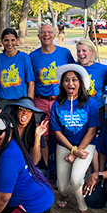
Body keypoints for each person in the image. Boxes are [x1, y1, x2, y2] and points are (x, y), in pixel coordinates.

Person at [50, 64, 99, 213]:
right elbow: (57, 133)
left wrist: (77, 153)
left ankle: (84, 210)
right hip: (66, 145)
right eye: (66, 80)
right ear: (62, 83)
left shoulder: (90, 103)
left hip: (87, 144)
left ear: (81, 82)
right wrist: (72, 150)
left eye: (74, 80)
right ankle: (67, 195)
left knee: (76, 178)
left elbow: (92, 131)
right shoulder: (57, 104)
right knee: (62, 187)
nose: (70, 84)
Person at [29, 23, 75, 168]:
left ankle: (61, 171)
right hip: (40, 101)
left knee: (61, 136)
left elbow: (74, 73)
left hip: (60, 101)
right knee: (43, 136)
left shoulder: (65, 53)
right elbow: (29, 81)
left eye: (49, 32)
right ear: (38, 36)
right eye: (43, 32)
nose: (46, 35)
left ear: (54, 35)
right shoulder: (33, 56)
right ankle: (47, 170)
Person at [0, 28, 34, 109]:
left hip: (20, 101)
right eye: (6, 40)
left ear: (17, 40)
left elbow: (31, 83)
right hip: (4, 101)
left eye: (12, 40)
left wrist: (29, 104)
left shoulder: (24, 58)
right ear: (1, 41)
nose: (9, 43)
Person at [3, 97, 47, 165]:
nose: (25, 112)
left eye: (29, 110)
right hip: (12, 164)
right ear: (17, 111)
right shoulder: (8, 128)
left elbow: (35, 162)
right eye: (22, 108)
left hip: (31, 168)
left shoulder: (36, 131)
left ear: (32, 114)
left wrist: (37, 136)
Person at [76, 38, 107, 131]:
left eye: (84, 50)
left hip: (97, 109)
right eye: (78, 51)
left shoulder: (103, 69)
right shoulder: (74, 68)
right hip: (78, 109)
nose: (81, 54)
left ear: (92, 51)